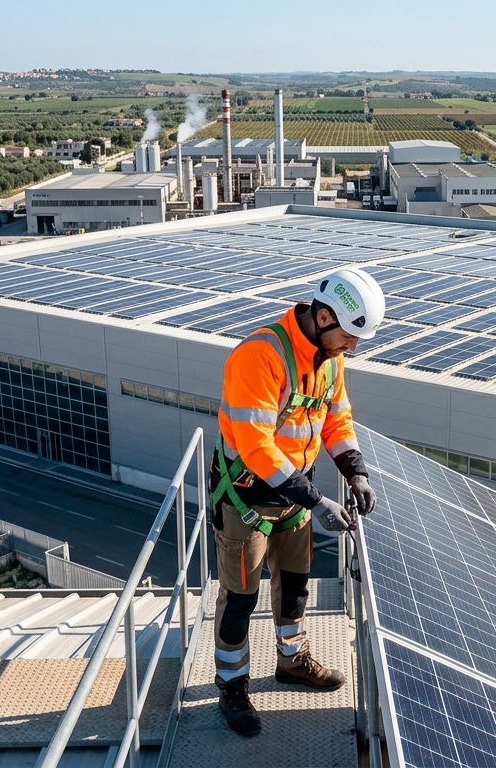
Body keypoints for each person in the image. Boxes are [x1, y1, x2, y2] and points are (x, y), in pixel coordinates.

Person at [208, 267, 385, 737]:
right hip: (247, 496)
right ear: (324, 317)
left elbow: (336, 421)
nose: (353, 348)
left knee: (296, 588)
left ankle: (291, 661)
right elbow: (256, 446)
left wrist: (356, 472)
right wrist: (317, 499)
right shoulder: (260, 355)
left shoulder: (330, 359)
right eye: (349, 336)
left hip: (295, 497)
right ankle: (231, 684)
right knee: (239, 602)